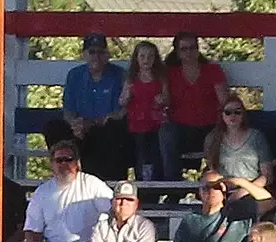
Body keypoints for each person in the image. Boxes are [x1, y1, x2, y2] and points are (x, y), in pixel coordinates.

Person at [14, 142, 113, 242]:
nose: (64, 164)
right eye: (59, 160)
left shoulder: (93, 184)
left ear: (77, 163)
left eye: (68, 159)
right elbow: (31, 231)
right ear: (52, 165)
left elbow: (115, 212)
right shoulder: (42, 192)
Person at [45, 33, 129, 182]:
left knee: (113, 130)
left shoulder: (119, 75)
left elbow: (121, 111)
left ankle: (105, 183)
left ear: (107, 54)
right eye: (92, 52)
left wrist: (94, 123)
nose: (96, 56)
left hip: (104, 128)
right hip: (79, 129)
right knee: (53, 127)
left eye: (101, 52)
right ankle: (64, 174)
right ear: (84, 54)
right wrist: (75, 124)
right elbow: (68, 108)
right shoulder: (75, 75)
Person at [159, 33, 230, 181]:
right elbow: (165, 100)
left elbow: (224, 101)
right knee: (165, 133)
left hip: (210, 126)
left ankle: (213, 182)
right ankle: (173, 184)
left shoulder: (212, 70)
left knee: (215, 138)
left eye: (192, 48)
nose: (189, 52)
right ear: (177, 52)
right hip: (181, 127)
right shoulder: (170, 73)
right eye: (184, 49)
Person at [202, 96, 272, 196]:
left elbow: (267, 176)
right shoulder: (212, 139)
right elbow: (211, 171)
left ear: (243, 115)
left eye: (237, 112)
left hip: (253, 190)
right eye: (228, 112)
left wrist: (245, 190)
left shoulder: (257, 137)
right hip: (223, 190)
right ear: (221, 114)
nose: (233, 116)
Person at [120, 41, 170, 182]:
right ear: (136, 59)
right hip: (137, 124)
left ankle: (157, 181)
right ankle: (142, 181)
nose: (146, 60)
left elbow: (168, 99)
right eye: (142, 56)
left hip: (156, 122)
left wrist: (162, 99)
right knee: (141, 155)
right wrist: (127, 95)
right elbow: (122, 101)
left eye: (150, 56)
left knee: (156, 154)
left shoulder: (160, 78)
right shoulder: (131, 79)